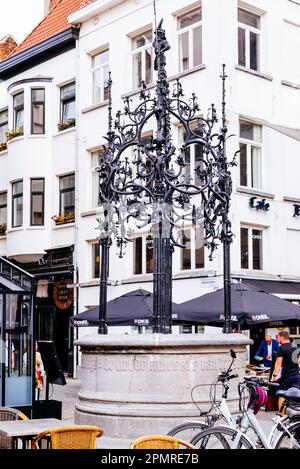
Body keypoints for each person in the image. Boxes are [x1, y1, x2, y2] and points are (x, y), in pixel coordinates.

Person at [272, 331, 300, 411]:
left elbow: (278, 363)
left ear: (281, 337)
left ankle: (281, 415)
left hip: (286, 376)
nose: (277, 340)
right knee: (295, 395)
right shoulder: (295, 346)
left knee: (282, 395)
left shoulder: (281, 348)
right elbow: (298, 360)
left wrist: (275, 375)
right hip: (296, 374)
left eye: (278, 338)